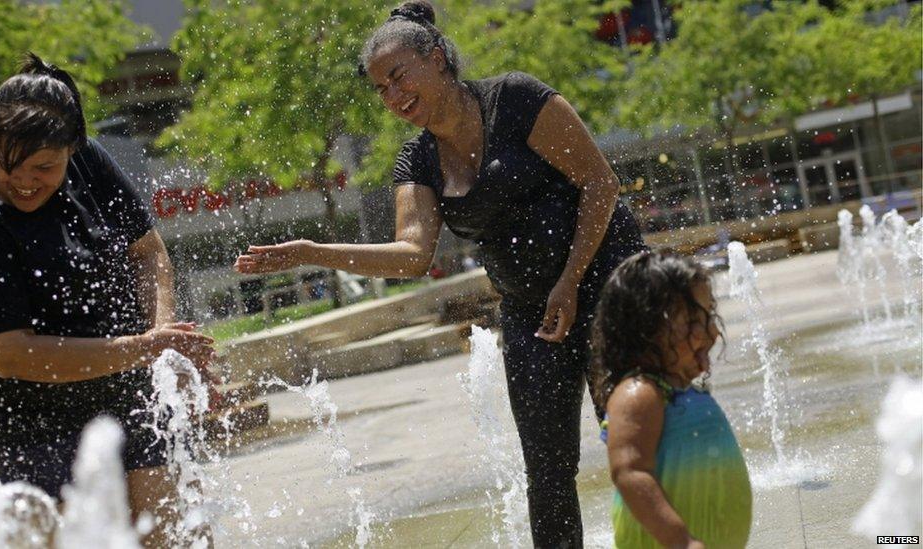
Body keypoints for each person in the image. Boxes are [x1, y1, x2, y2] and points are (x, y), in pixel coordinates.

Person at [235, 2, 647, 545]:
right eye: (381, 89)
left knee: (634, 440)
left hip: (605, 284)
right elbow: (412, 253)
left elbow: (600, 182)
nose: (392, 96)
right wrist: (315, 250)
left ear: (437, 59)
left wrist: (570, 280)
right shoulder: (418, 161)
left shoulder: (517, 101)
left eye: (398, 76)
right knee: (546, 475)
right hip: (531, 312)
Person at [0, 54, 215, 547]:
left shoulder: (87, 162)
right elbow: (9, 356)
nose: (25, 180)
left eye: (45, 167)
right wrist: (145, 347)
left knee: (181, 538)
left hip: (132, 398)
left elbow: (148, 251)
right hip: (40, 429)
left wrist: (165, 344)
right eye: (9, 165)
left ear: (70, 148)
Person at [592, 251, 752, 548]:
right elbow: (630, 472)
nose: (712, 329)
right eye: (693, 319)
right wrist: (680, 541)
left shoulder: (683, 393)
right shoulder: (640, 394)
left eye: (711, 312)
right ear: (646, 326)